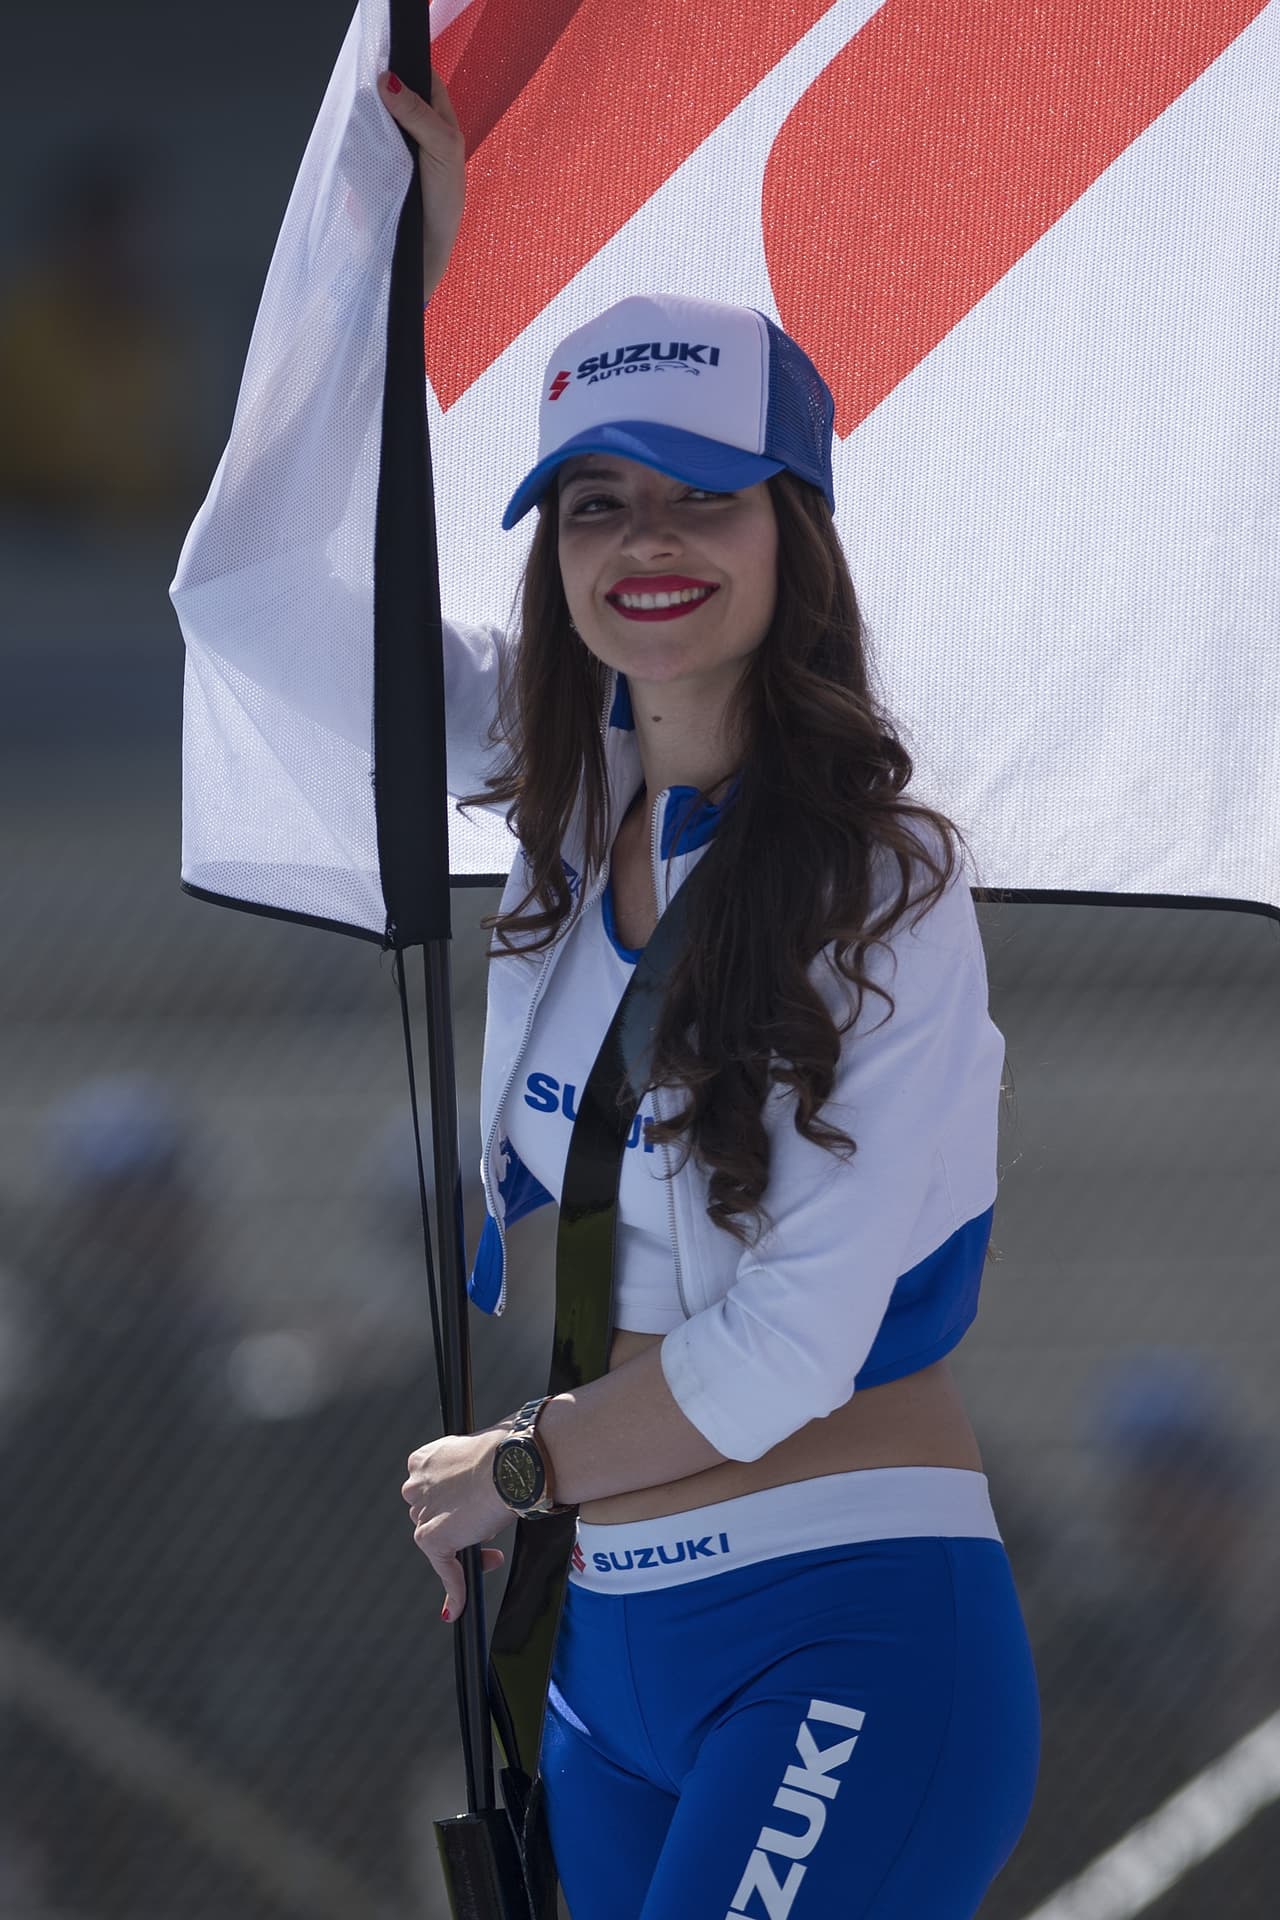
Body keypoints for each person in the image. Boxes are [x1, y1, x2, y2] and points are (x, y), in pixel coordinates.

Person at [382, 69, 1040, 1920]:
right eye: (596, 506)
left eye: (700, 500)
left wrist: (517, 1466)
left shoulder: (883, 883)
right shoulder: (559, 822)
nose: (644, 544)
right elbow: (264, 609)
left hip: (845, 1632)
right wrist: (391, 283)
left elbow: (790, 1347)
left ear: (792, 530)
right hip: (603, 1660)